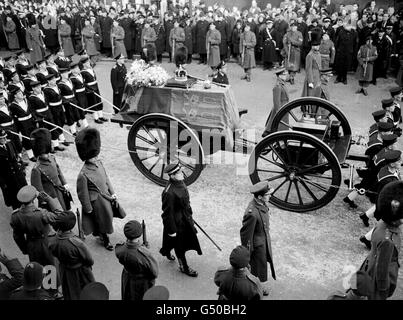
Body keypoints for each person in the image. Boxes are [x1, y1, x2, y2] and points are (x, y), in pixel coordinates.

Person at [357, 181, 403, 300]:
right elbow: (382, 271)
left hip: (369, 272)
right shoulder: (388, 241)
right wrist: (383, 290)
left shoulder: (381, 224)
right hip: (377, 285)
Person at [76, 128, 120, 251]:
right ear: (86, 156)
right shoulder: (83, 174)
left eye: (96, 155)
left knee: (107, 218)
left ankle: (101, 234)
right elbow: (82, 194)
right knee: (101, 222)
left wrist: (113, 192)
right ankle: (105, 240)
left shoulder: (99, 163)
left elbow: (106, 178)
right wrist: (88, 208)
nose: (95, 158)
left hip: (105, 197)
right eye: (92, 156)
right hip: (96, 202)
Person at [160, 163, 202, 277]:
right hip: (175, 222)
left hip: (185, 218)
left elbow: (185, 201)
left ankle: (166, 251)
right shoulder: (169, 193)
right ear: (172, 176)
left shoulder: (180, 182)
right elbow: (167, 214)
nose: (182, 174)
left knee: (174, 241)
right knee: (179, 245)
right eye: (179, 173)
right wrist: (172, 230)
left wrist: (189, 215)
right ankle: (184, 267)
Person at [10, 185, 62, 266]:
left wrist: (25, 249)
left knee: (37, 270)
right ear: (34, 197)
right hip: (46, 244)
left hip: (31, 246)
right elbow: (60, 215)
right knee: (51, 269)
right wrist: (48, 199)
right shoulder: (41, 213)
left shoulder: (15, 216)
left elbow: (17, 237)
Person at [240, 181, 276, 296]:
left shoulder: (261, 203)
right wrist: (247, 252)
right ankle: (255, 289)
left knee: (261, 267)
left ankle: (257, 286)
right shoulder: (252, 213)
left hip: (263, 241)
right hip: (256, 246)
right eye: (268, 194)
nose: (270, 195)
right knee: (256, 268)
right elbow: (245, 234)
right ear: (260, 197)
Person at [49, 211, 95, 300]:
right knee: (85, 292)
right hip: (80, 272)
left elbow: (54, 253)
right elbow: (89, 260)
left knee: (69, 291)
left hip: (64, 270)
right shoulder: (77, 243)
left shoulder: (52, 240)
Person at [115, 220, 159, 300]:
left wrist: (141, 247)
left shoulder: (119, 248)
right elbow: (155, 273)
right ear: (140, 234)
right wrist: (144, 249)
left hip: (127, 277)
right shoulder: (145, 255)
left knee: (127, 295)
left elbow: (130, 251)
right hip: (141, 283)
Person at [30, 128, 71, 211]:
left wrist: (64, 183)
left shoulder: (52, 158)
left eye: (47, 153)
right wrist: (43, 201)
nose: (47, 155)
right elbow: (38, 189)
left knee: (65, 209)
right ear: (39, 154)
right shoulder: (36, 169)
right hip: (50, 196)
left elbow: (59, 171)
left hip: (60, 190)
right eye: (44, 154)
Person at [0, 129, 27, 211]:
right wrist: (2, 183)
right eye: (2, 138)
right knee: (14, 199)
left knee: (25, 193)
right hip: (8, 179)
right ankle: (18, 215)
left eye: (5, 137)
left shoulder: (10, 143)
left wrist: (22, 168)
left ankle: (29, 208)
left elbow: (17, 157)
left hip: (18, 174)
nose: (5, 139)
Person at [8, 86, 36, 162]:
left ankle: (36, 151)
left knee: (34, 135)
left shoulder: (26, 100)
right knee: (27, 139)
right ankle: (31, 155)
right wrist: (18, 130)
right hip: (23, 124)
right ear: (15, 96)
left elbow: (31, 110)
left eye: (21, 92)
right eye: (19, 93)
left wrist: (35, 118)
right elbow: (15, 119)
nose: (21, 94)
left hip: (31, 121)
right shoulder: (13, 105)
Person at [263, 67, 289, 136]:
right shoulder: (277, 86)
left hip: (284, 107)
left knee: (282, 126)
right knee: (278, 126)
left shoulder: (282, 84)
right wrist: (279, 112)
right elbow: (276, 101)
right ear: (280, 76)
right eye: (284, 74)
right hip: (280, 108)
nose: (286, 76)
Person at [80, 56, 105, 124]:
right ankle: (96, 118)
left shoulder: (91, 69)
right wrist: (89, 89)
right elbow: (83, 83)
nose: (89, 63)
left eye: (89, 62)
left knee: (98, 101)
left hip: (95, 86)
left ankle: (101, 116)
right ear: (84, 64)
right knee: (93, 103)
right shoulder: (83, 72)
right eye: (87, 62)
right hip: (90, 88)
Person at [69, 62, 89, 129]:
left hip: (83, 94)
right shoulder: (71, 79)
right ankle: (84, 124)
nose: (78, 69)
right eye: (77, 68)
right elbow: (73, 89)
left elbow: (83, 84)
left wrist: (88, 89)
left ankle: (78, 120)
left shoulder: (80, 75)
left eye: (78, 67)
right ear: (73, 70)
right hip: (78, 96)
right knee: (80, 109)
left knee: (83, 107)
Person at [283, 20, 303, 85]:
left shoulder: (299, 33)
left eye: (295, 27)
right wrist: (286, 51)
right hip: (288, 50)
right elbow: (284, 42)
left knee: (294, 66)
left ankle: (292, 77)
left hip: (296, 51)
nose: (293, 28)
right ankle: (289, 76)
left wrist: (292, 41)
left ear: (296, 27)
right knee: (288, 65)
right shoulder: (287, 34)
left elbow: (300, 43)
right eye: (292, 26)